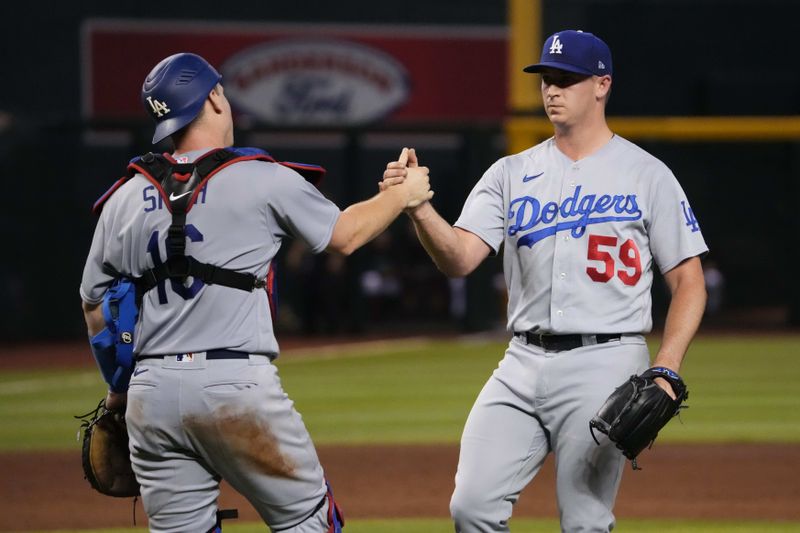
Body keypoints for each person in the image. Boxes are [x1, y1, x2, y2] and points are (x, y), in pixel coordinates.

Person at [79, 52, 432, 533]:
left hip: (150, 394)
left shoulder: (122, 198)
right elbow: (346, 235)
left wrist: (119, 390)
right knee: (309, 522)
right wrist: (403, 193)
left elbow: (95, 308)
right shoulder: (262, 177)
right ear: (215, 99)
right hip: (235, 389)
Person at [383, 30, 708, 532]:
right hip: (521, 361)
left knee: (584, 522)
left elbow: (689, 280)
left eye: (566, 79)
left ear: (602, 85)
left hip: (607, 361)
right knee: (471, 507)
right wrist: (420, 209)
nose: (551, 89)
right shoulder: (510, 173)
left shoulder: (648, 174)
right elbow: (460, 259)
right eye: (546, 80)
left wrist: (666, 366)